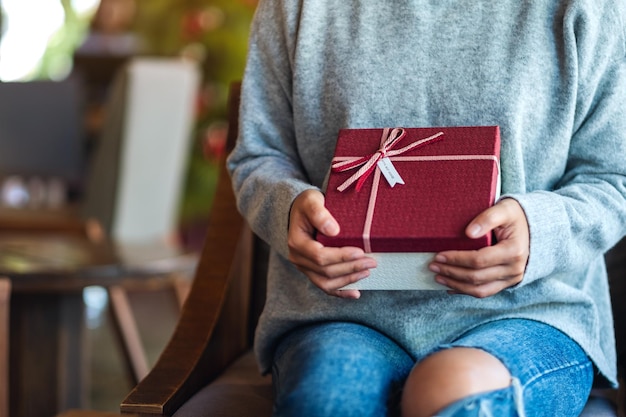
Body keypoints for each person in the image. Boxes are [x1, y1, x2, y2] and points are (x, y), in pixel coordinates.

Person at [226, 1, 626, 416]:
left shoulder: (587, 8)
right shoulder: (297, 8)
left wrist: (539, 231)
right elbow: (258, 156)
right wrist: (287, 209)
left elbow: (614, 177)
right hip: (337, 313)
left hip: (529, 311)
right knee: (329, 398)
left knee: (451, 390)